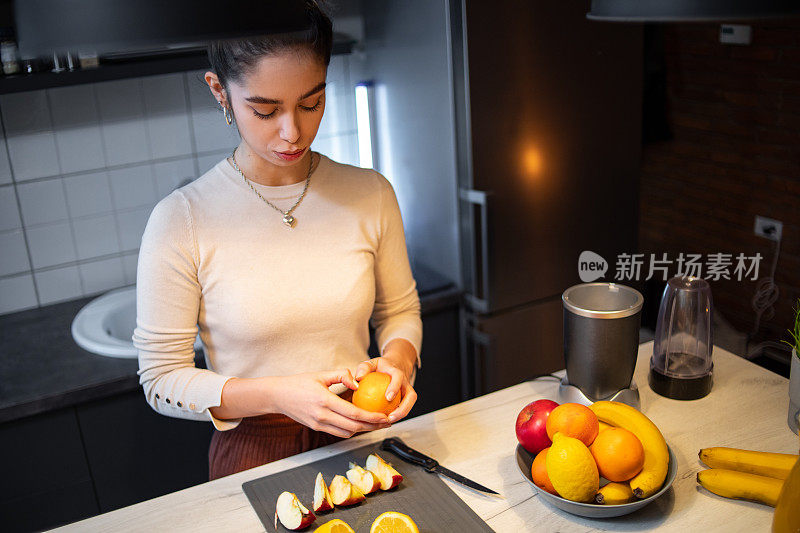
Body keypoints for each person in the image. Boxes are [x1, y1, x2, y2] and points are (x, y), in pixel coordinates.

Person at [134, 1, 422, 481]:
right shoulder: (180, 220)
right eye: (265, 110)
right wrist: (279, 395)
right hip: (253, 449)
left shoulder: (370, 193)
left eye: (311, 103)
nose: (293, 132)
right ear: (220, 93)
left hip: (360, 433)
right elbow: (161, 380)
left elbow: (399, 313)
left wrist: (398, 361)